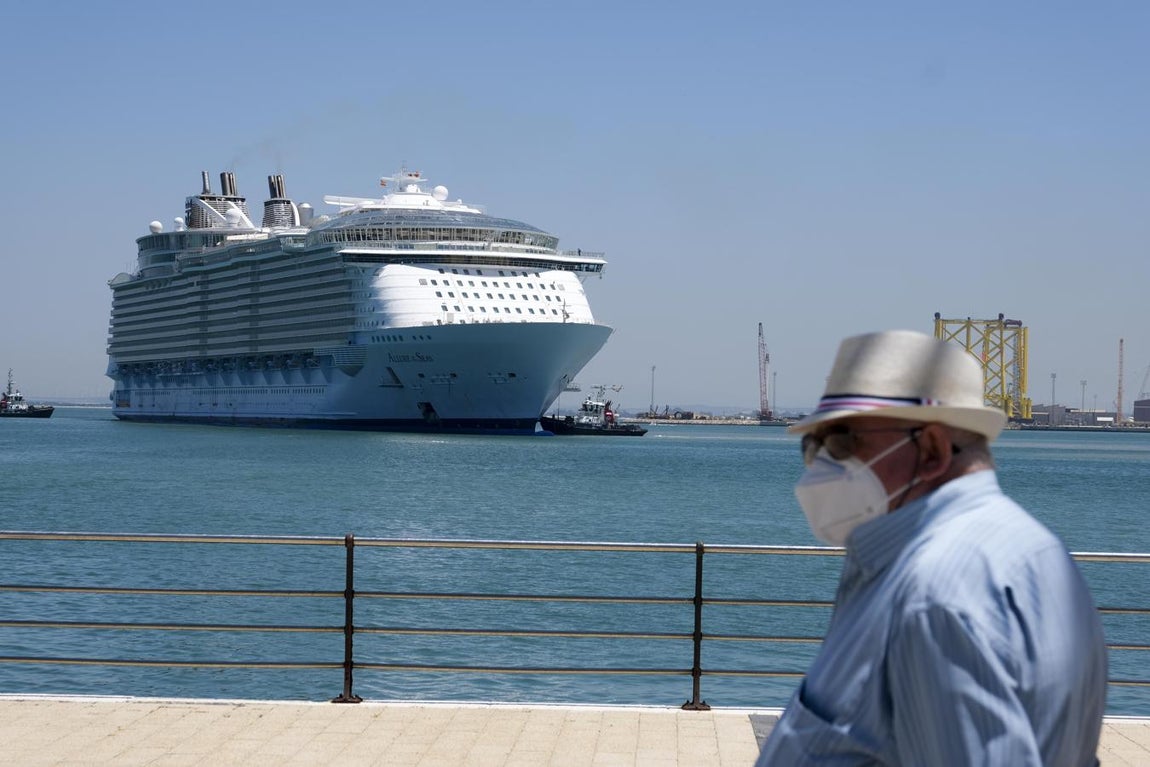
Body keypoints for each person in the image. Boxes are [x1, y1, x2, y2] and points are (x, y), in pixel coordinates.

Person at [756, 330, 1107, 766]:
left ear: (932, 450)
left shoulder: (931, 599)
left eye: (842, 441)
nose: (821, 464)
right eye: (814, 446)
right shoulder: (1040, 553)